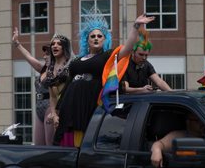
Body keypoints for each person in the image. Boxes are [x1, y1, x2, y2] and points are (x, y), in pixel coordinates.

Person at [54, 12, 155, 147]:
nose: (96, 38)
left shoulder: (108, 56)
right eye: (92, 36)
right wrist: (56, 112)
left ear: (105, 39)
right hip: (70, 106)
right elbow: (67, 86)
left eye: (100, 36)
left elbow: (128, 48)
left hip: (90, 104)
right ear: (87, 40)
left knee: (84, 143)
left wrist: (136, 27)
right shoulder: (77, 60)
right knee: (66, 144)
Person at [12, 27, 53, 145]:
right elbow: (29, 57)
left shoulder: (57, 71)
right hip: (39, 107)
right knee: (39, 144)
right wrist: (17, 43)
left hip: (50, 107)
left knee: (50, 144)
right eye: (44, 54)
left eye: (48, 54)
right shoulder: (42, 69)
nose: (45, 56)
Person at [121, 27, 171, 94]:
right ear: (133, 52)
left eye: (146, 55)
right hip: (127, 102)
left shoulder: (146, 65)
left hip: (143, 101)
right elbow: (125, 89)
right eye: (141, 55)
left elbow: (159, 82)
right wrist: (142, 89)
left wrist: (173, 93)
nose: (144, 58)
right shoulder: (125, 64)